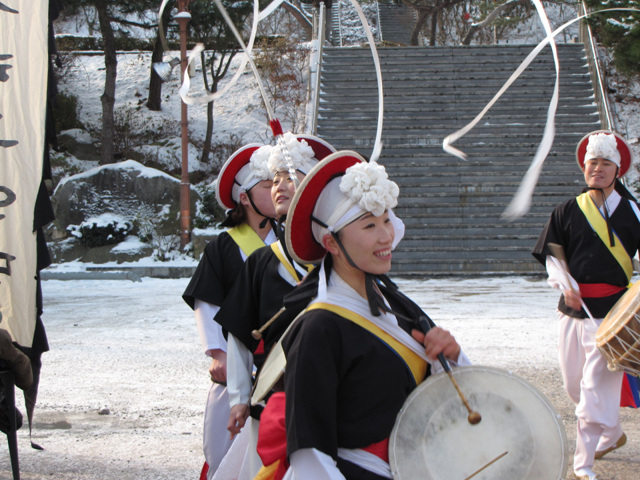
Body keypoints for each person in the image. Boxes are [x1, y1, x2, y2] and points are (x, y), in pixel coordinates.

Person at [255, 152, 470, 479]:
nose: (386, 237)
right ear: (332, 243)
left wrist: (450, 357)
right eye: (369, 225)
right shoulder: (318, 328)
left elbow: (440, 394)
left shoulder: (397, 303)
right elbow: (310, 453)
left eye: (386, 220)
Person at [212, 132, 335, 479]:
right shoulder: (261, 263)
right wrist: (238, 397)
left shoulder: (338, 261)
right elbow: (239, 335)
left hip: (330, 398)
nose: (279, 186)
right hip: (269, 401)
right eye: (274, 179)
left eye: (290, 178)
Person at [532, 130, 640, 480]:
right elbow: (552, 253)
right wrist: (564, 285)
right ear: (584, 167)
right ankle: (612, 433)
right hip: (572, 310)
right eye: (592, 162)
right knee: (574, 386)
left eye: (605, 163)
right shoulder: (566, 210)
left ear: (616, 170)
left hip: (613, 315)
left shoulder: (633, 212)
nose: (597, 168)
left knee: (593, 390)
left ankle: (584, 463)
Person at [182, 143, 277, 479]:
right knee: (224, 446)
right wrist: (218, 353)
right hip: (236, 356)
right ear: (245, 198)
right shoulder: (223, 247)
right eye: (267, 186)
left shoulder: (289, 243)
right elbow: (206, 300)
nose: (277, 190)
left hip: (277, 358)